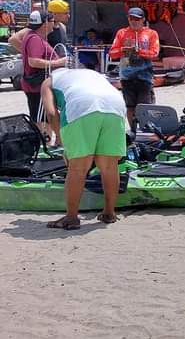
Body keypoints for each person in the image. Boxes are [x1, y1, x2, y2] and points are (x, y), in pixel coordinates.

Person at [40, 67, 127, 230]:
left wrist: (64, 143)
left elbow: (51, 114)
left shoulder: (48, 81)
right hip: (115, 105)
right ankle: (109, 212)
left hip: (81, 106)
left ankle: (71, 217)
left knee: (78, 168)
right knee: (109, 166)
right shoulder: (90, 73)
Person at [108, 8, 160, 129]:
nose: (134, 21)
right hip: (127, 77)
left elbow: (155, 53)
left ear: (143, 20)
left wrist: (139, 51)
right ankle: (133, 130)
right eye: (131, 18)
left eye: (137, 19)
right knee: (130, 106)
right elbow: (112, 53)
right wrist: (123, 50)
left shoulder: (151, 33)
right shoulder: (121, 33)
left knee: (145, 106)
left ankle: (145, 130)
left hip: (145, 77)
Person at [21, 11, 67, 127]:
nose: (54, 24)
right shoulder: (34, 39)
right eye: (52, 21)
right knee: (41, 118)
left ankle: (45, 137)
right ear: (45, 23)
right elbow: (33, 61)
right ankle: (42, 137)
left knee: (43, 118)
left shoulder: (33, 36)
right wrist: (59, 62)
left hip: (37, 85)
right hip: (37, 86)